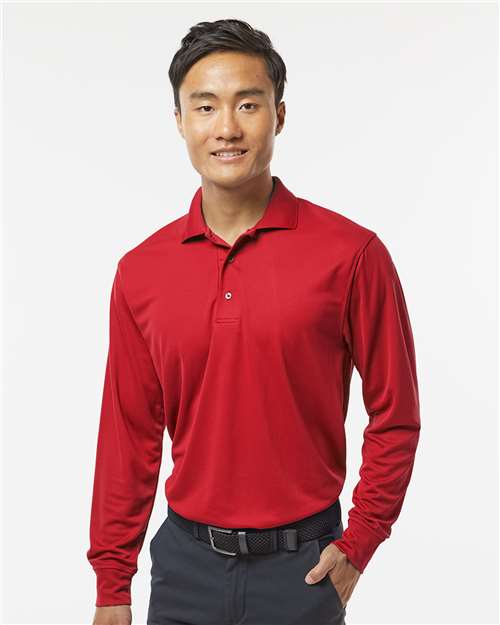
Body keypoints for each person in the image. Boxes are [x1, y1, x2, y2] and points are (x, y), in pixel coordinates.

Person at [87, 18, 421, 625]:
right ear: (180, 121)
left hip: (304, 571)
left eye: (248, 104)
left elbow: (395, 413)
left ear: (279, 115)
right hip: (183, 570)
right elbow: (128, 435)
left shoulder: (352, 254)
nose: (227, 128)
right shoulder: (140, 271)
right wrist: (114, 584)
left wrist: (360, 542)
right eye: (205, 107)